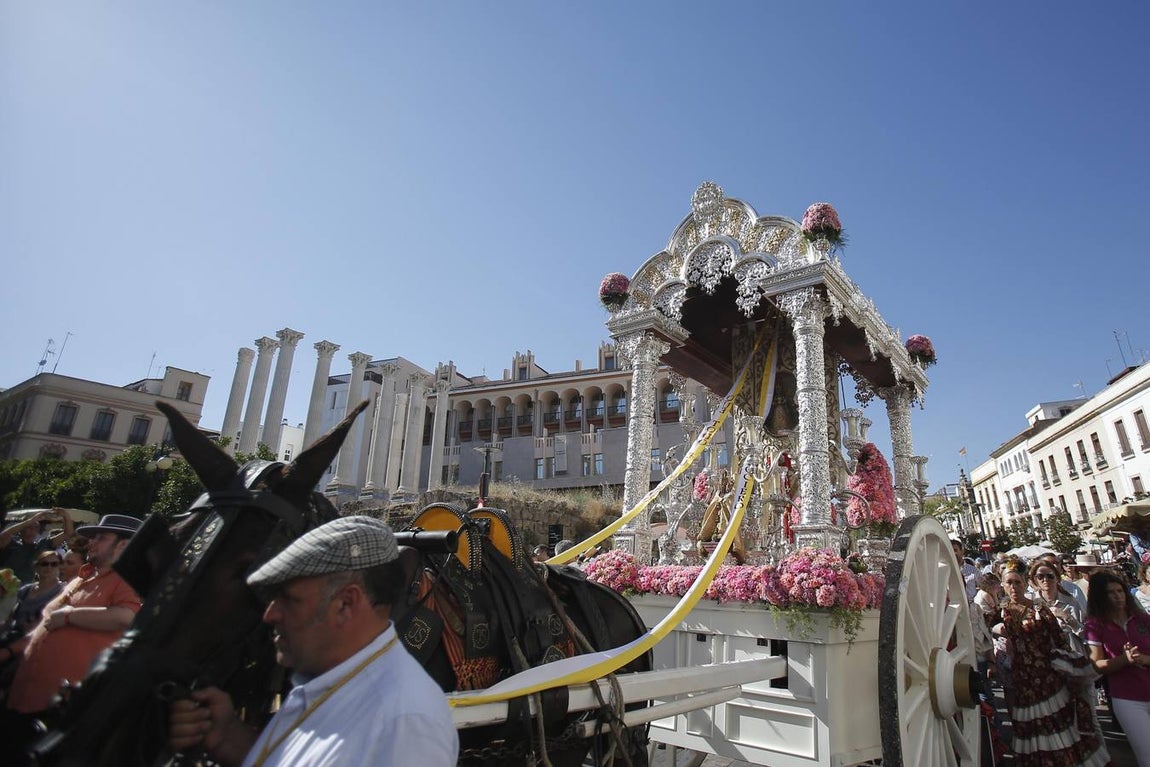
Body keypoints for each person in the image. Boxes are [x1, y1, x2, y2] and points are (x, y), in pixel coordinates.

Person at [169, 516, 457, 767]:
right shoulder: (326, 683)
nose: (270, 614)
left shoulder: (403, 723)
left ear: (345, 604)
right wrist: (231, 740)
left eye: (289, 600)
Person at [5, 514, 142, 715]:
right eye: (93, 537)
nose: (91, 542)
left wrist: (70, 615)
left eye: (101, 538)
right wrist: (9, 652)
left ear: (124, 545)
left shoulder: (126, 580)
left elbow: (126, 616)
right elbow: (47, 623)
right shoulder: (81, 577)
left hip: (60, 710)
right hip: (24, 695)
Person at [992, 560, 1108, 766]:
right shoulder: (1004, 612)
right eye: (1009, 582)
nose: (1013, 587)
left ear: (1025, 584)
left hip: (1046, 677)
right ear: (1002, 585)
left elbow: (1059, 641)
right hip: (1023, 679)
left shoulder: (1039, 610)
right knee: (1033, 731)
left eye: (1017, 582)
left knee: (1057, 727)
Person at [1085, 569, 1150, 766]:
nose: (1118, 596)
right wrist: (1125, 659)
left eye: (1120, 591)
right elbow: (1097, 665)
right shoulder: (1094, 625)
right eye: (1111, 593)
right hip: (1128, 699)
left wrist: (1145, 659)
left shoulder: (1142, 619)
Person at [0, 510, 74, 585]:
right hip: (3, 587)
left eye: (36, 527)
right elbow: (2, 536)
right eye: (29, 527)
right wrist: (29, 521)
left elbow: (68, 533)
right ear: (22, 529)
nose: (33, 530)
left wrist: (65, 515)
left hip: (24, 589)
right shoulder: (11, 543)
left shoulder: (41, 545)